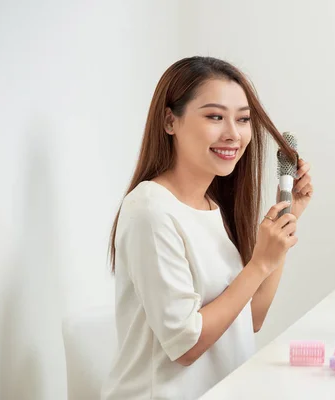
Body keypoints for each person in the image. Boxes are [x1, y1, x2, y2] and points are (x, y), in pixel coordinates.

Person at [101, 56, 313, 400]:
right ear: (171, 121)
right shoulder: (151, 211)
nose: (233, 134)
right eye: (215, 116)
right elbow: (184, 345)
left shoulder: (210, 206)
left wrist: (283, 227)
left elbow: (250, 319)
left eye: (243, 119)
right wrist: (259, 263)